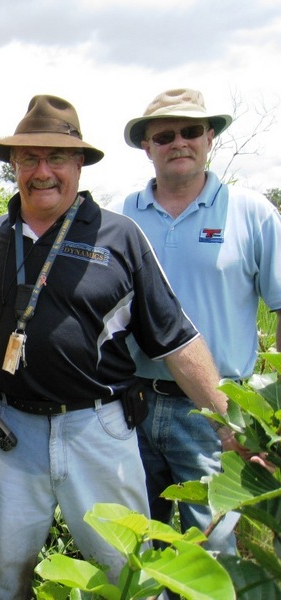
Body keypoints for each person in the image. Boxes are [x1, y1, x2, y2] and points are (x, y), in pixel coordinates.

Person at [0, 94, 255, 599]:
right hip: (11, 432)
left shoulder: (119, 236)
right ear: (13, 164)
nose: (43, 171)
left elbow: (176, 338)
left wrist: (229, 426)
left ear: (79, 163)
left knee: (128, 573)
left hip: (99, 429)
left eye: (57, 157)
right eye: (29, 158)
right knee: (7, 575)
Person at [108, 88, 281, 555]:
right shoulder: (120, 217)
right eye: (164, 135)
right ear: (147, 146)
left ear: (210, 138)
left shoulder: (253, 213)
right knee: (134, 551)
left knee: (215, 552)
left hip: (217, 412)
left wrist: (266, 409)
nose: (178, 142)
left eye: (190, 131)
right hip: (133, 405)